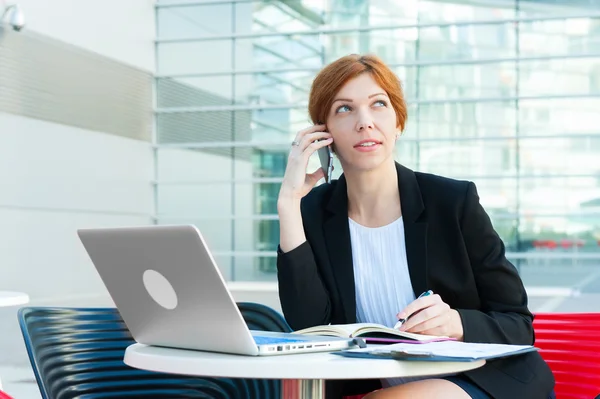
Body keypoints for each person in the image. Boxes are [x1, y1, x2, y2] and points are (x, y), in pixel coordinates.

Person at [276, 54, 555, 399]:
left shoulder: (452, 201)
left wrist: (456, 323)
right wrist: (289, 204)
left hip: (484, 380)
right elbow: (309, 326)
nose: (365, 122)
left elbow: (518, 325)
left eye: (378, 104)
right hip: (381, 385)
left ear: (398, 122)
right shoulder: (314, 212)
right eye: (344, 109)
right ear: (323, 133)